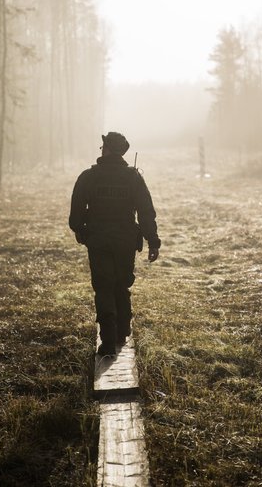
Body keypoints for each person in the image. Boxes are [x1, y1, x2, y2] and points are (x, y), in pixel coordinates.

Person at [69, 132, 161, 357]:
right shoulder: (133, 177)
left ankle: (108, 341)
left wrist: (82, 232)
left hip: (98, 241)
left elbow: (75, 216)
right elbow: (146, 212)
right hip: (125, 242)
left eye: (103, 146)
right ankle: (122, 332)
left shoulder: (88, 177)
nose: (101, 149)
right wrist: (153, 241)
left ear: (108, 149)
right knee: (121, 285)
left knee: (103, 287)